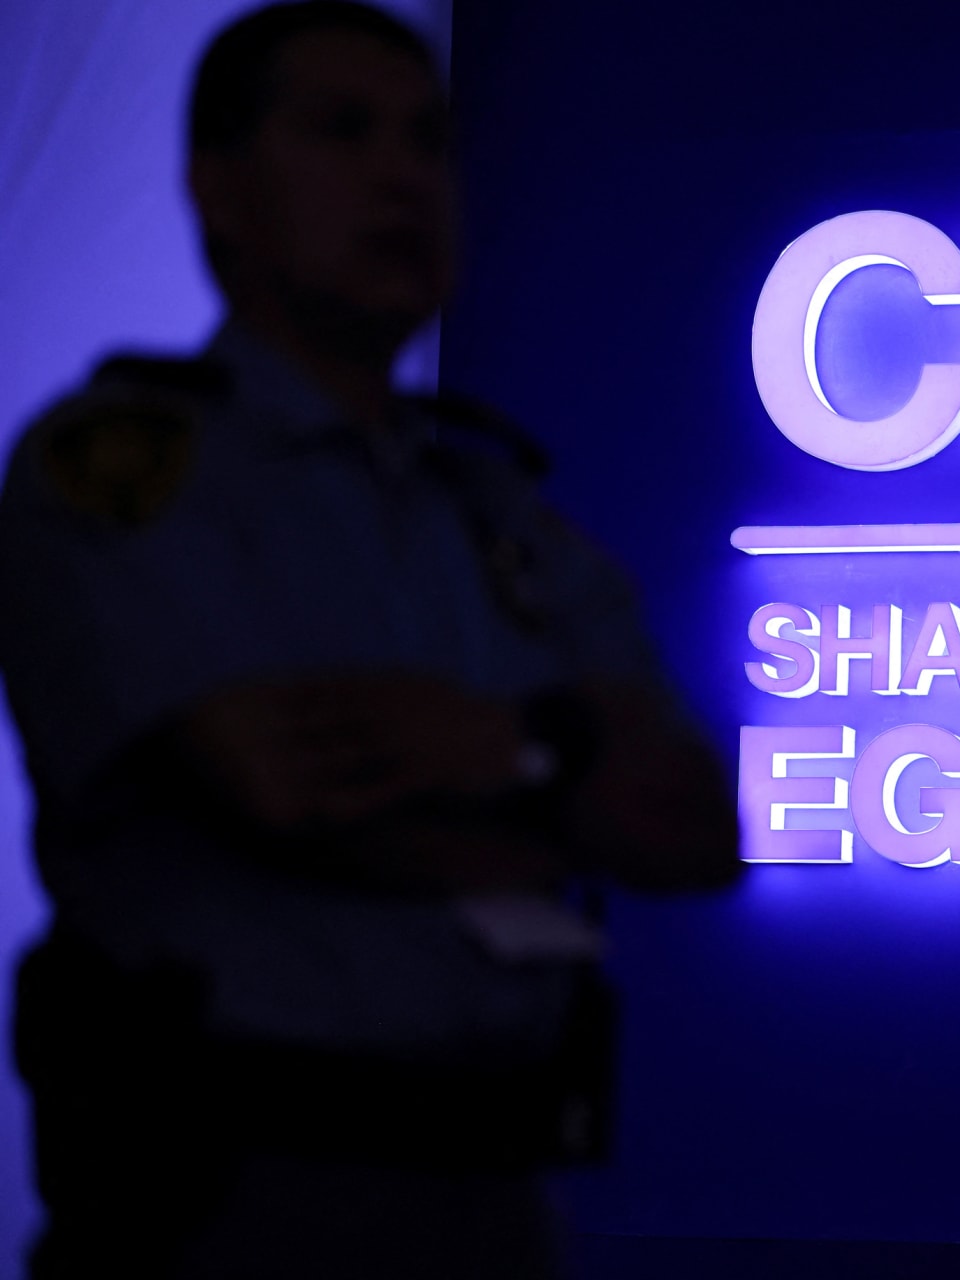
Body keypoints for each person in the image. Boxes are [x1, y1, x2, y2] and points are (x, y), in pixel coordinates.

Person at [0, 3, 740, 1276]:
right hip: (226, 1207)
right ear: (218, 187)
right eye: (341, 132)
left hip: (497, 1201)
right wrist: (569, 780)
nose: (400, 177)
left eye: (427, 141)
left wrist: (507, 748)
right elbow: (288, 788)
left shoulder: (497, 511)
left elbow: (695, 828)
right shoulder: (127, 470)